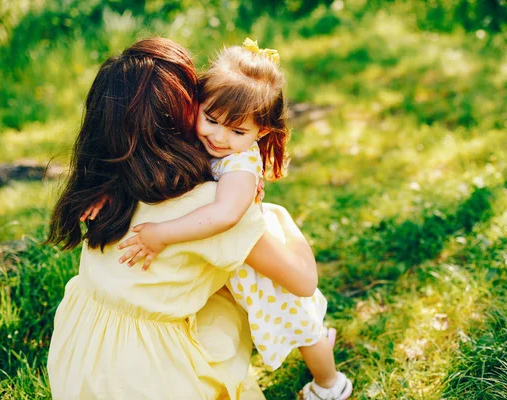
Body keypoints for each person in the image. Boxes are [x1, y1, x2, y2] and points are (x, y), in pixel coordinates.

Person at [45, 37, 320, 400]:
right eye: (205, 109)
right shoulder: (206, 207)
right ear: (183, 111)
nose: (219, 136)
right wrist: (279, 224)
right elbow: (303, 282)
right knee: (233, 301)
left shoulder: (109, 183)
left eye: (236, 130)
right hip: (145, 381)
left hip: (76, 360)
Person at [114, 38, 353, 400]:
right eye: (210, 119)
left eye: (238, 132)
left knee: (302, 327)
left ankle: (329, 384)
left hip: (262, 271)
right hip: (235, 260)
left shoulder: (240, 166)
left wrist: (162, 234)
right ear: (197, 102)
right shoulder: (206, 139)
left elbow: (224, 214)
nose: (219, 137)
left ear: (262, 132)